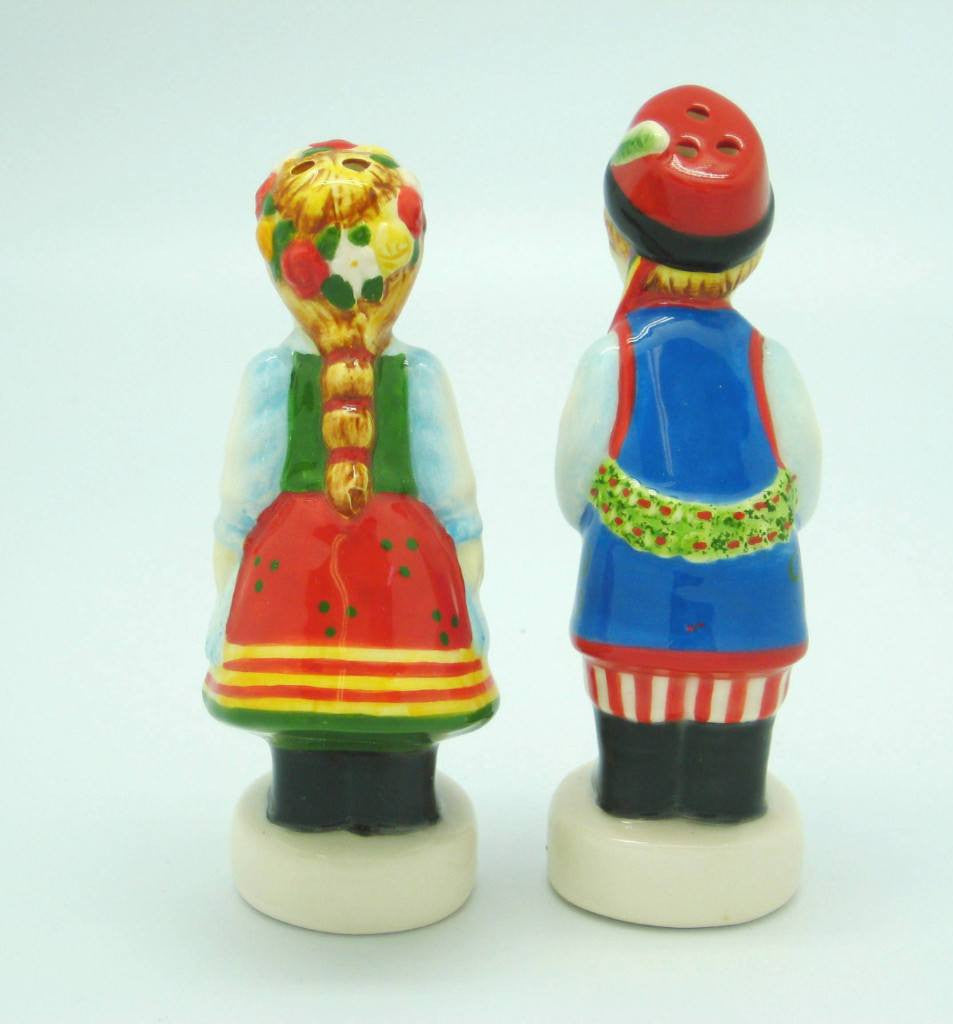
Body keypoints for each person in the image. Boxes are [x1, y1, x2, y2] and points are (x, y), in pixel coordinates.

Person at [204, 140, 497, 833]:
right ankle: (400, 816)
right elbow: (457, 507)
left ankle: (303, 815)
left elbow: (238, 509)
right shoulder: (419, 375)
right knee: (403, 722)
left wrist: (226, 605)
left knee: (299, 725)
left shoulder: (271, 375)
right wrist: (469, 598)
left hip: (288, 577)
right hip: (407, 584)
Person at [556, 86, 820, 822]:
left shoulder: (613, 357)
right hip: (754, 604)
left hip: (629, 597)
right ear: (753, 255)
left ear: (617, 234)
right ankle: (728, 807)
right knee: (736, 741)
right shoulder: (769, 360)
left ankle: (633, 806)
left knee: (634, 744)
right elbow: (805, 490)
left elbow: (573, 488)